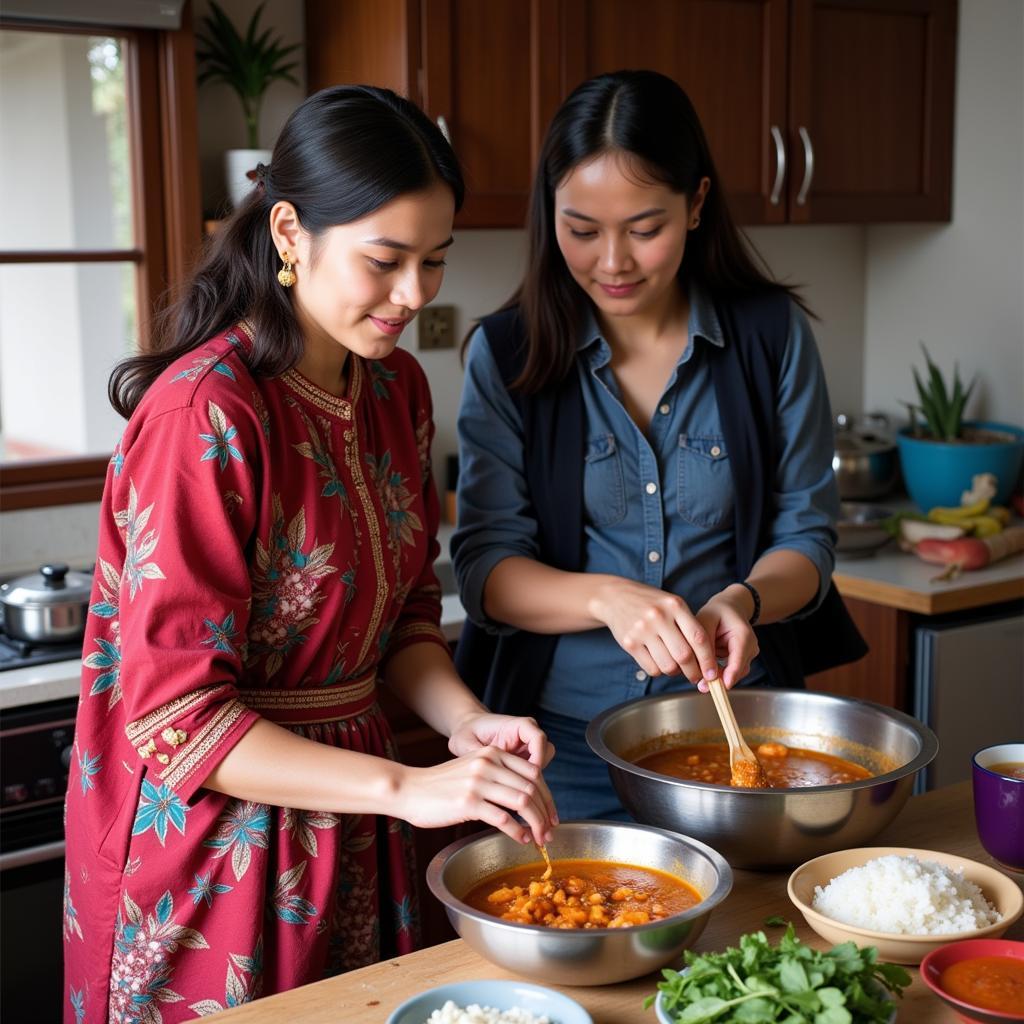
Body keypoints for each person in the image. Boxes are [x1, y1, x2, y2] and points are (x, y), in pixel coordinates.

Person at [63, 85, 556, 1023]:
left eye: (435, 260)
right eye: (386, 260)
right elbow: (177, 721)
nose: (415, 294)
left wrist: (463, 726)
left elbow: (409, 613)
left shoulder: (397, 389)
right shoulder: (206, 412)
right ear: (290, 232)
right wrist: (407, 787)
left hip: (362, 824)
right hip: (213, 853)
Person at [452, 70, 862, 822]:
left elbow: (806, 536)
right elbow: (484, 568)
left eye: (645, 229)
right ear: (550, 212)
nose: (614, 261)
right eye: (582, 230)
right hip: (562, 751)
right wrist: (607, 599)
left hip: (744, 731)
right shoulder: (506, 352)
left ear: (697, 203)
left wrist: (745, 600)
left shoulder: (768, 336)